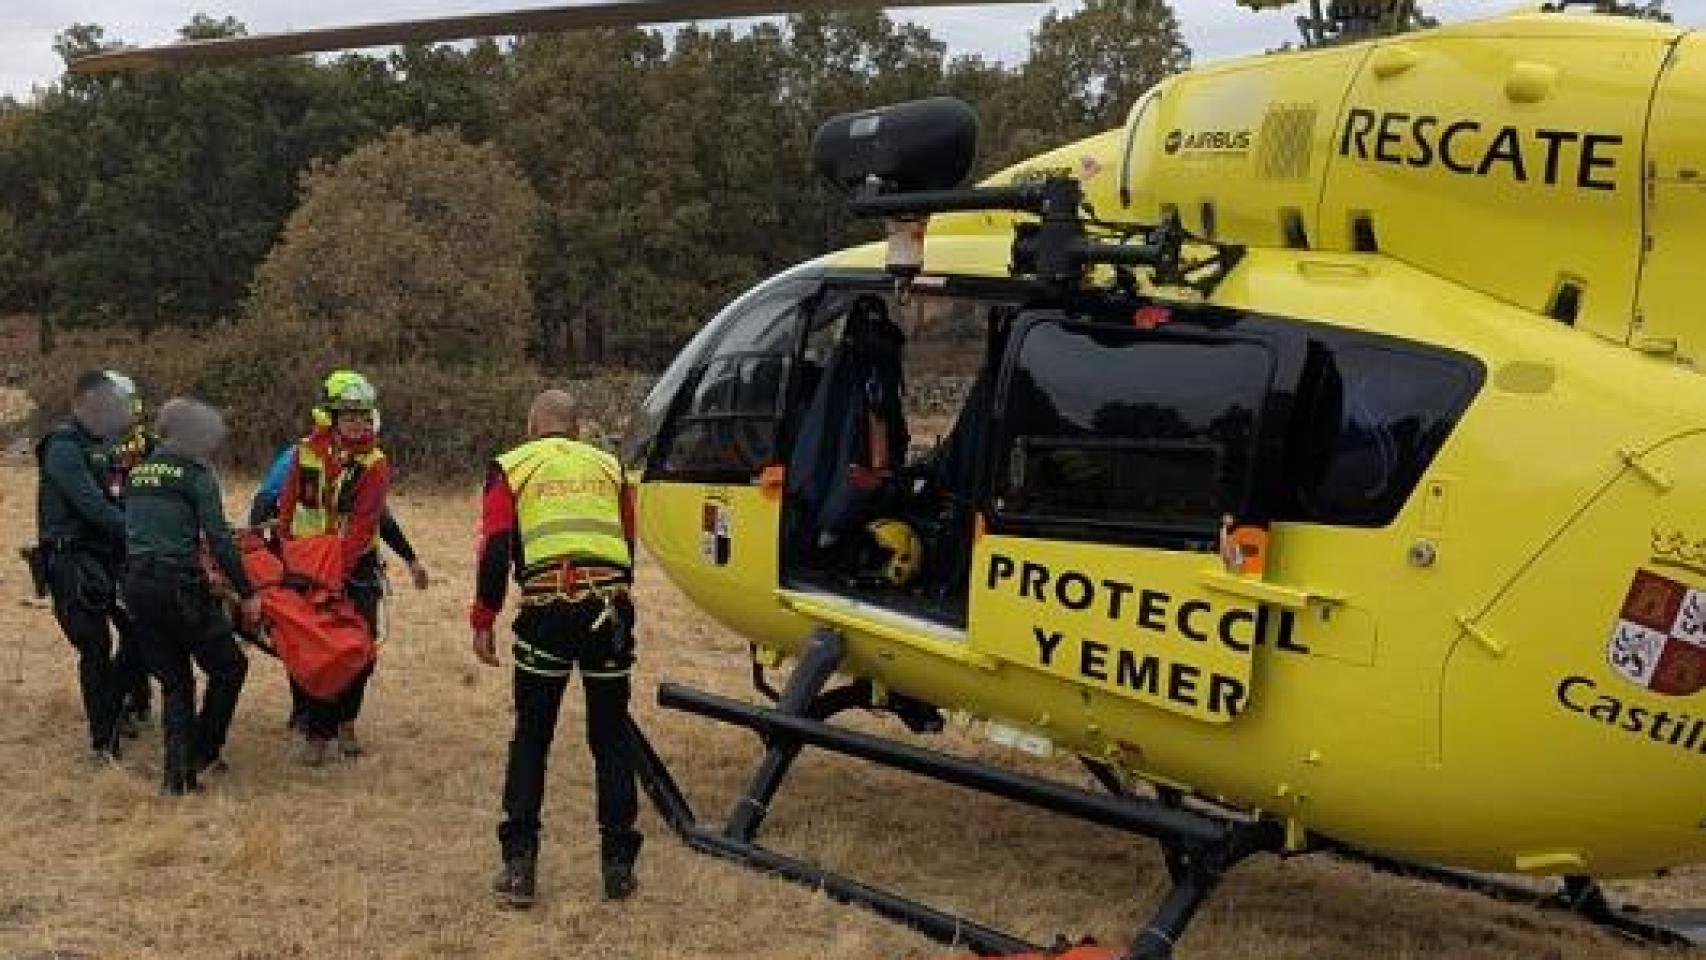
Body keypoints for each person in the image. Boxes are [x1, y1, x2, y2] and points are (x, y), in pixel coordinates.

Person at [472, 389, 642, 909]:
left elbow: (497, 546)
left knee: (532, 736)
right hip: (608, 608)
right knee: (611, 737)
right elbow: (627, 540)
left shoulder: (513, 466)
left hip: (549, 610)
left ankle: (520, 868)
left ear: (532, 426)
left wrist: (484, 617)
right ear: (576, 429)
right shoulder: (610, 467)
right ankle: (618, 868)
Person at [122, 399, 258, 795]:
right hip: (179, 587)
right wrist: (246, 592)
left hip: (138, 587)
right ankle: (204, 749)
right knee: (229, 666)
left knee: (175, 682)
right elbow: (217, 538)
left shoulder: (138, 473)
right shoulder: (196, 475)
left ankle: (176, 778)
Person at [278, 370, 391, 765]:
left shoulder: (374, 465)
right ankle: (316, 730)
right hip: (305, 563)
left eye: (363, 416)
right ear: (332, 417)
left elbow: (362, 525)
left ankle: (345, 722)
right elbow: (289, 502)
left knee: (361, 648)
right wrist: (285, 547)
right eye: (349, 416)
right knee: (312, 647)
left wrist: (336, 575)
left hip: (352, 567)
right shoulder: (305, 452)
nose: (358, 424)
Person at [35, 370, 139, 763]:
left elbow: (115, 499)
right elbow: (90, 505)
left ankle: (115, 707)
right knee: (95, 645)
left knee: (139, 633)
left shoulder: (102, 445)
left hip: (106, 555)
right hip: (72, 560)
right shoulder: (63, 446)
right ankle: (103, 741)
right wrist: (139, 533)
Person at [98, 371, 158, 735]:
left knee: (139, 631)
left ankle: (135, 700)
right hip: (105, 554)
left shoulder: (151, 448)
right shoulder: (92, 451)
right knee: (132, 631)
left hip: (145, 554)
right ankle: (119, 703)